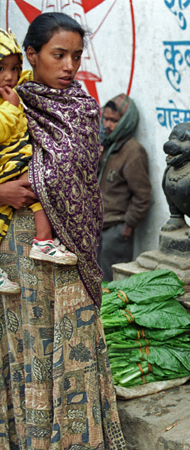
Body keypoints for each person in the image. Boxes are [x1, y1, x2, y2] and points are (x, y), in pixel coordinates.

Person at [0, 12, 126, 449]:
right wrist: (2, 192)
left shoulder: (82, 106)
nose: (70, 66)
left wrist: (34, 184)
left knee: (72, 350)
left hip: (66, 249)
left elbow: (78, 177)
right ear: (31, 55)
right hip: (15, 250)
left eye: (76, 55)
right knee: (27, 350)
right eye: (59, 55)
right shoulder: (10, 104)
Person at [0, 28, 77, 294]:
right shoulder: (12, 102)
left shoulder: (34, 95)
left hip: (44, 255)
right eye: (58, 55)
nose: (9, 76)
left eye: (14, 68)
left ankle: (44, 241)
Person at [97, 93, 151, 281]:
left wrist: (128, 225)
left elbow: (142, 195)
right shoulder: (107, 147)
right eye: (106, 118)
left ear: (126, 122)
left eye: (114, 120)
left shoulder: (133, 151)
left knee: (113, 285)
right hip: (98, 226)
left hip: (116, 230)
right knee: (97, 281)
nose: (107, 125)